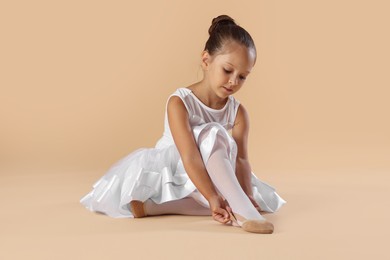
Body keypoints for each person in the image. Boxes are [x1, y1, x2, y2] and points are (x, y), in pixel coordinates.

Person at [80, 15, 286, 234]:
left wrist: (248, 194)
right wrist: (212, 196)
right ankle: (242, 211)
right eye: (227, 71)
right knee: (213, 133)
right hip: (177, 167)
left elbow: (242, 161)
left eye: (243, 76)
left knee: (244, 193)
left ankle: (155, 208)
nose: (234, 81)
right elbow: (189, 156)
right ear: (206, 61)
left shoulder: (238, 112)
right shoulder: (180, 102)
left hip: (212, 170)